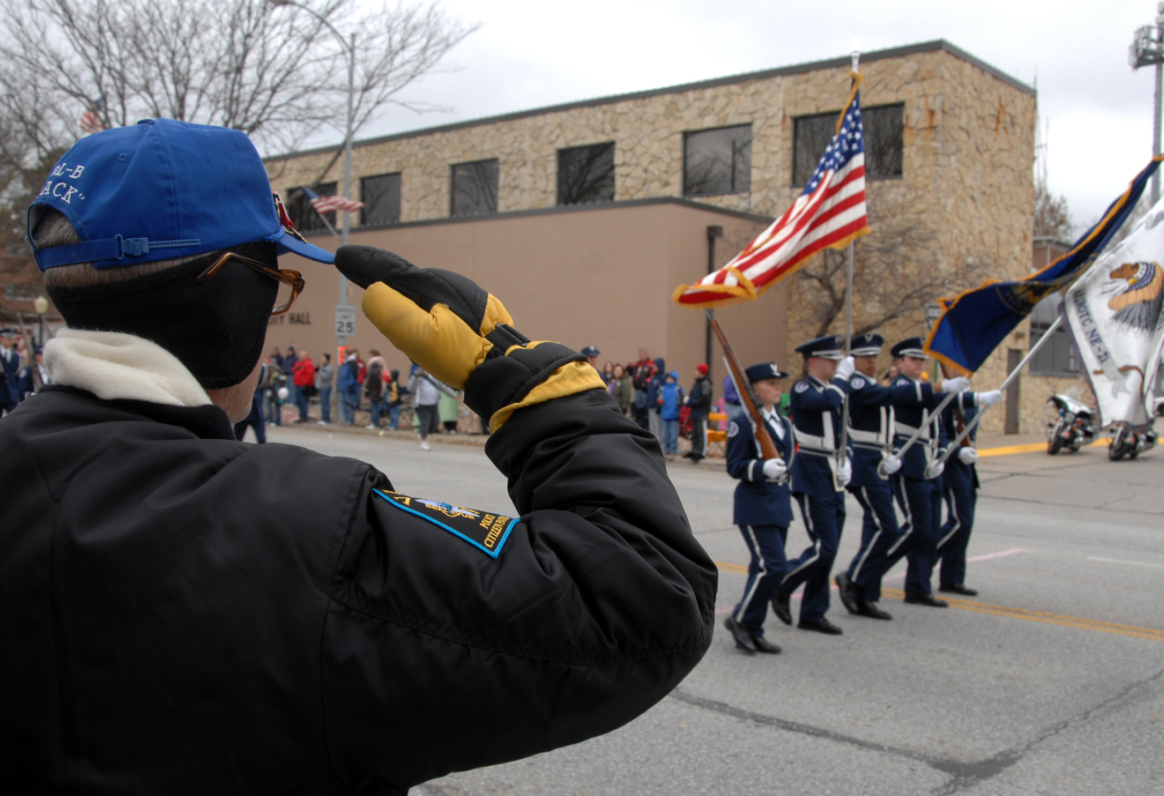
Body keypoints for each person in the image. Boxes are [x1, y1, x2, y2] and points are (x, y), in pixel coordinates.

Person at [2, 119, 716, 792]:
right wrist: (543, 395)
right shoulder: (301, 534)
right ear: (233, 307)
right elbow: (645, 603)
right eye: (278, 288)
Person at [880, 338, 998, 607]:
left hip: (931, 464)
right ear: (899, 363)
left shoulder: (922, 387)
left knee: (930, 531)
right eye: (914, 359)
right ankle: (866, 571)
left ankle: (919, 586)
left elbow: (939, 427)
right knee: (920, 528)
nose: (920, 363)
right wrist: (971, 397)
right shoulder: (901, 386)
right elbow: (934, 398)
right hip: (910, 464)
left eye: (922, 359)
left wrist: (944, 452)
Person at [770, 335, 851, 636]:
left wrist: (848, 459)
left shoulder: (834, 389)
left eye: (838, 362)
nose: (836, 365)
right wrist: (843, 379)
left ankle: (813, 612)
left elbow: (844, 430)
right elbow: (826, 403)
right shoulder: (805, 388)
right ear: (813, 361)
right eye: (832, 361)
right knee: (824, 546)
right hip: (813, 473)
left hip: (834, 472)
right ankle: (783, 582)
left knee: (829, 549)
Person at [832, 333, 905, 620]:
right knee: (888, 527)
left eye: (876, 356)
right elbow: (886, 396)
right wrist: (934, 388)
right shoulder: (857, 383)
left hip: (879, 460)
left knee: (875, 529)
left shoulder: (873, 382)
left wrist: (894, 453)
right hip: (864, 463)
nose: (873, 361)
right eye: (867, 357)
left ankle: (866, 594)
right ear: (854, 360)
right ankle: (853, 578)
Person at [723, 362, 794, 655]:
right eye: (770, 383)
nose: (777, 388)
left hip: (778, 504)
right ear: (753, 390)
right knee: (773, 566)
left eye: (778, 383)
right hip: (755, 506)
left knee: (761, 569)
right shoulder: (743, 422)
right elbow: (734, 466)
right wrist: (761, 467)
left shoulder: (784, 422)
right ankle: (739, 619)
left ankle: (754, 628)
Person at [935, 402, 982, 596]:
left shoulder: (970, 400)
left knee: (965, 528)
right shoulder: (947, 398)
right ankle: (923, 553)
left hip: (968, 469)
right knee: (961, 522)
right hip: (953, 469)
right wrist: (956, 452)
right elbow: (938, 435)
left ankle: (952, 578)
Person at [408, 366, 459, 450]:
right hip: (422, 405)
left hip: (433, 404)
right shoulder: (417, 378)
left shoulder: (432, 376)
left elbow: (441, 386)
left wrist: (451, 394)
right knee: (425, 423)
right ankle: (424, 441)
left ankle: (423, 434)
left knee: (435, 422)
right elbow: (410, 388)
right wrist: (415, 377)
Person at [233, 363, 268, 444]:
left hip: (257, 411)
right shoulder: (243, 368)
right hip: (243, 411)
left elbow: (261, 382)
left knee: (262, 440)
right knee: (237, 440)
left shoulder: (262, 368)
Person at [686, 363, 712, 462]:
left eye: (697, 370)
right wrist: (689, 402)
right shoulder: (696, 383)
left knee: (701, 433)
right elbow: (693, 395)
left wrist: (693, 402)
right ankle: (695, 450)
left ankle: (702, 452)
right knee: (695, 433)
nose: (695, 372)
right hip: (695, 412)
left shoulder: (705, 383)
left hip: (702, 412)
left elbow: (704, 399)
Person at [658, 370, 684, 455]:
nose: (669, 380)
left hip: (674, 414)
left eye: (671, 378)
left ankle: (674, 449)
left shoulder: (678, 388)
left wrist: (678, 410)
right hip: (665, 413)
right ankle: (667, 448)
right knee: (665, 434)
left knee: (673, 434)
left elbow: (681, 401)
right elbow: (659, 398)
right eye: (668, 378)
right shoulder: (663, 388)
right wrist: (659, 401)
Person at [630, 349, 655, 430]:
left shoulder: (650, 364)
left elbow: (653, 375)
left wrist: (646, 382)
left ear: (647, 355)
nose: (642, 356)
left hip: (645, 389)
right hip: (637, 389)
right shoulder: (637, 364)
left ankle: (645, 423)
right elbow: (630, 371)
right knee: (638, 406)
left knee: (644, 406)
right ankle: (639, 422)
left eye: (644, 354)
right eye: (641, 355)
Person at [1, 329, 24, 415]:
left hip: (12, 394)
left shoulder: (15, 356)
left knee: (13, 420)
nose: (10, 341)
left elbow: (17, 375)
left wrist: (18, 392)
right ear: (1, 338)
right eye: (8, 339)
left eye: (12, 339)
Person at [337, 351, 361, 425]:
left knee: (349, 404)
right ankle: (346, 419)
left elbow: (354, 376)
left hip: (349, 387)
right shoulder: (345, 363)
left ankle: (350, 420)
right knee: (344, 404)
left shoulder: (352, 363)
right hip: (343, 387)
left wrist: (351, 385)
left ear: (347, 355)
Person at [292, 349, 316, 423]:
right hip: (297, 385)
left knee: (303, 401)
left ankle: (303, 416)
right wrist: (297, 367)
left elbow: (309, 375)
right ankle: (301, 415)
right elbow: (293, 370)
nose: (301, 357)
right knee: (298, 401)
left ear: (306, 356)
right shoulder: (298, 363)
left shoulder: (308, 364)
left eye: (303, 355)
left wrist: (305, 384)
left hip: (303, 386)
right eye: (300, 355)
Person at [646, 357, 665, 442]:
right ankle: (653, 442)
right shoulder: (653, 377)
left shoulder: (662, 378)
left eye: (655, 365)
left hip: (657, 406)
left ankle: (660, 444)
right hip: (651, 404)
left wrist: (659, 405)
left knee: (658, 427)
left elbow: (661, 392)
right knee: (652, 426)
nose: (654, 367)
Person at [364, 356, 386, 429]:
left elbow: (371, 380)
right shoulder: (380, 369)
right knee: (375, 407)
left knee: (374, 408)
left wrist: (368, 388)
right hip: (377, 391)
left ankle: (374, 423)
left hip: (374, 391)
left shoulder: (373, 369)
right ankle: (375, 422)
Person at [315, 353, 333, 425]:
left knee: (325, 404)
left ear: (326, 359)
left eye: (323, 358)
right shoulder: (324, 367)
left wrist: (319, 371)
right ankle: (324, 418)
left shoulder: (329, 368)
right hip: (322, 387)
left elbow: (325, 377)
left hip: (325, 388)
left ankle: (326, 419)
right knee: (323, 404)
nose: (322, 359)